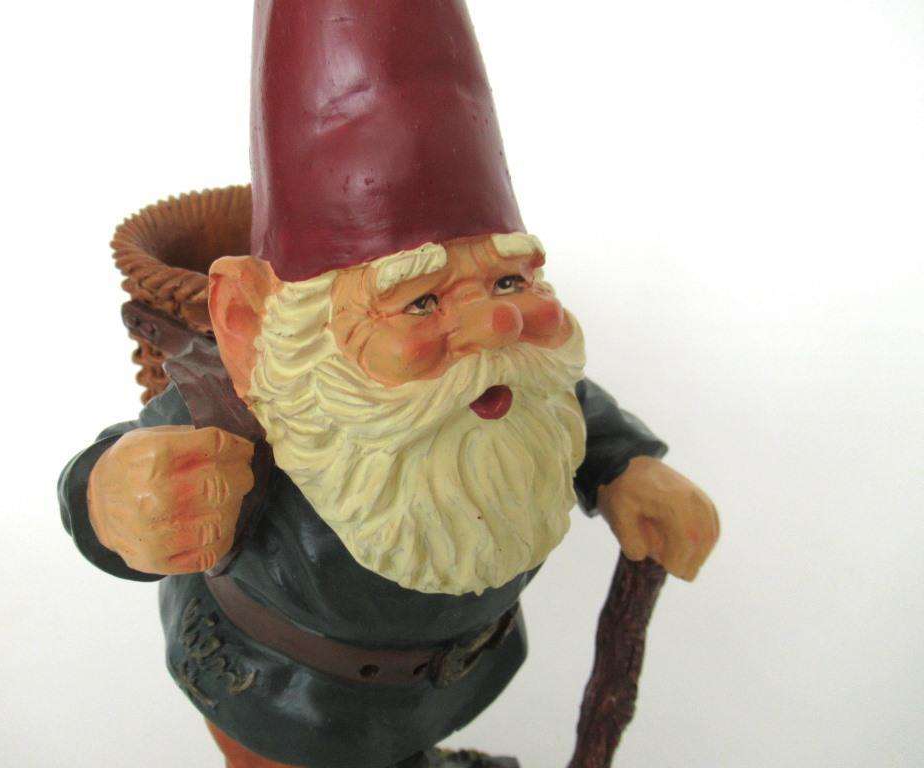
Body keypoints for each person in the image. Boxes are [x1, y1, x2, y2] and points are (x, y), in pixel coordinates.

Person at [59, 2, 718, 766]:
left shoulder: (496, 381)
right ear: (251, 327)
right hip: (280, 697)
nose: (498, 325)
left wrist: (625, 466)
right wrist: (108, 499)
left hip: (460, 675)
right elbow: (107, 473)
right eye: (423, 300)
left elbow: (559, 401)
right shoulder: (269, 398)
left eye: (509, 281)